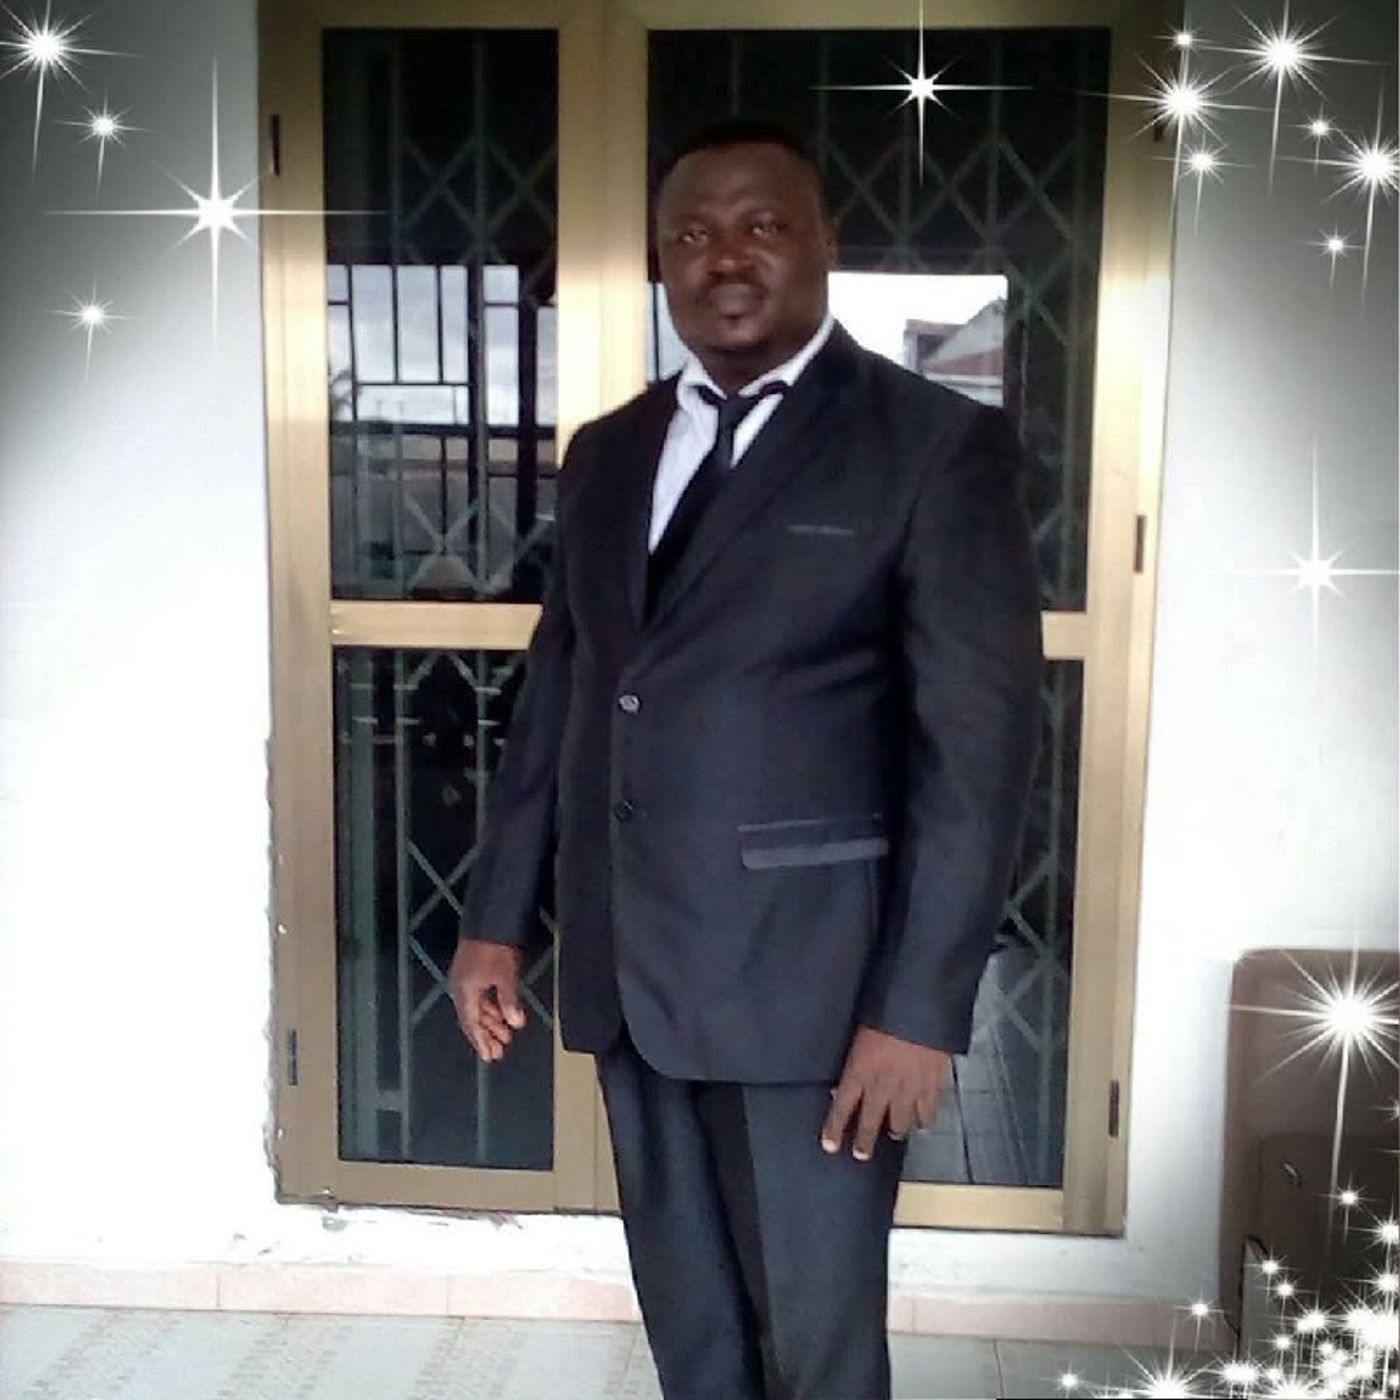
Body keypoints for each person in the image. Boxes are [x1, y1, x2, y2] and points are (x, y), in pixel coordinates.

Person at [449, 118, 1043, 1400]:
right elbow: (565, 691)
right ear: (660, 262)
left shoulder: (929, 445)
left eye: (761, 225)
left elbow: (977, 753)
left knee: (815, 1345)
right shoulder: (608, 452)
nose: (724, 257)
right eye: (691, 234)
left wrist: (919, 1008)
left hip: (811, 986)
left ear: (823, 241)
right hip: (627, 969)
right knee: (694, 1331)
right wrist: (497, 918)